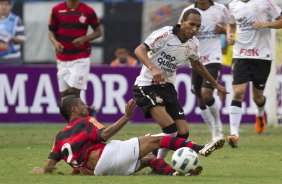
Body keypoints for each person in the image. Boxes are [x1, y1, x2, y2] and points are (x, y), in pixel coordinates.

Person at [32, 95, 225, 176]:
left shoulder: (59, 137)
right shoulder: (85, 121)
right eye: (82, 104)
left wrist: (42, 172)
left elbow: (50, 166)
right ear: (75, 108)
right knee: (156, 139)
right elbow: (104, 134)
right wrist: (127, 117)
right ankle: (201, 149)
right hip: (105, 157)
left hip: (100, 172)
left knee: (149, 159)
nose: (86, 106)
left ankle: (174, 174)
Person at [132, 8, 228, 160]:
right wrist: (153, 67)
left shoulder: (193, 43)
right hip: (146, 86)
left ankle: (157, 162)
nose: (195, 29)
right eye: (191, 24)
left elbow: (197, 65)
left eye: (198, 26)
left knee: (182, 133)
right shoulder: (165, 34)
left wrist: (216, 84)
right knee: (171, 130)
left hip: (167, 87)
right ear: (182, 22)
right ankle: (154, 149)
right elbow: (139, 50)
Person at [226, 0, 282, 148]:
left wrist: (266, 24)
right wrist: (230, 34)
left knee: (257, 97)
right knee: (238, 92)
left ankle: (259, 113)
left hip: (262, 56)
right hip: (240, 55)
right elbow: (231, 24)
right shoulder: (233, 5)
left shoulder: (266, 2)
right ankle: (234, 134)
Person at [179, 0, 229, 141]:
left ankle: (217, 127)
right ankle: (212, 128)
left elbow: (233, 27)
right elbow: (180, 31)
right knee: (200, 97)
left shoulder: (221, 9)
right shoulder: (188, 11)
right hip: (195, 60)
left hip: (213, 57)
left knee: (206, 94)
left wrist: (225, 30)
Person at [48, 0, 102, 98]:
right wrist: (55, 43)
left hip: (80, 57)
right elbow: (51, 32)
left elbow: (98, 32)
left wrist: (84, 39)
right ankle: (89, 112)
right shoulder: (56, 10)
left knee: (73, 93)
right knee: (64, 97)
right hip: (62, 58)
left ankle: (85, 112)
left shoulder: (88, 11)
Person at [0, 0, 25, 64]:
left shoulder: (16, 20)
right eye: (1, 4)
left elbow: (22, 39)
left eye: (6, 5)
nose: (3, 7)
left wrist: (10, 37)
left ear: (10, 6)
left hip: (13, 59)